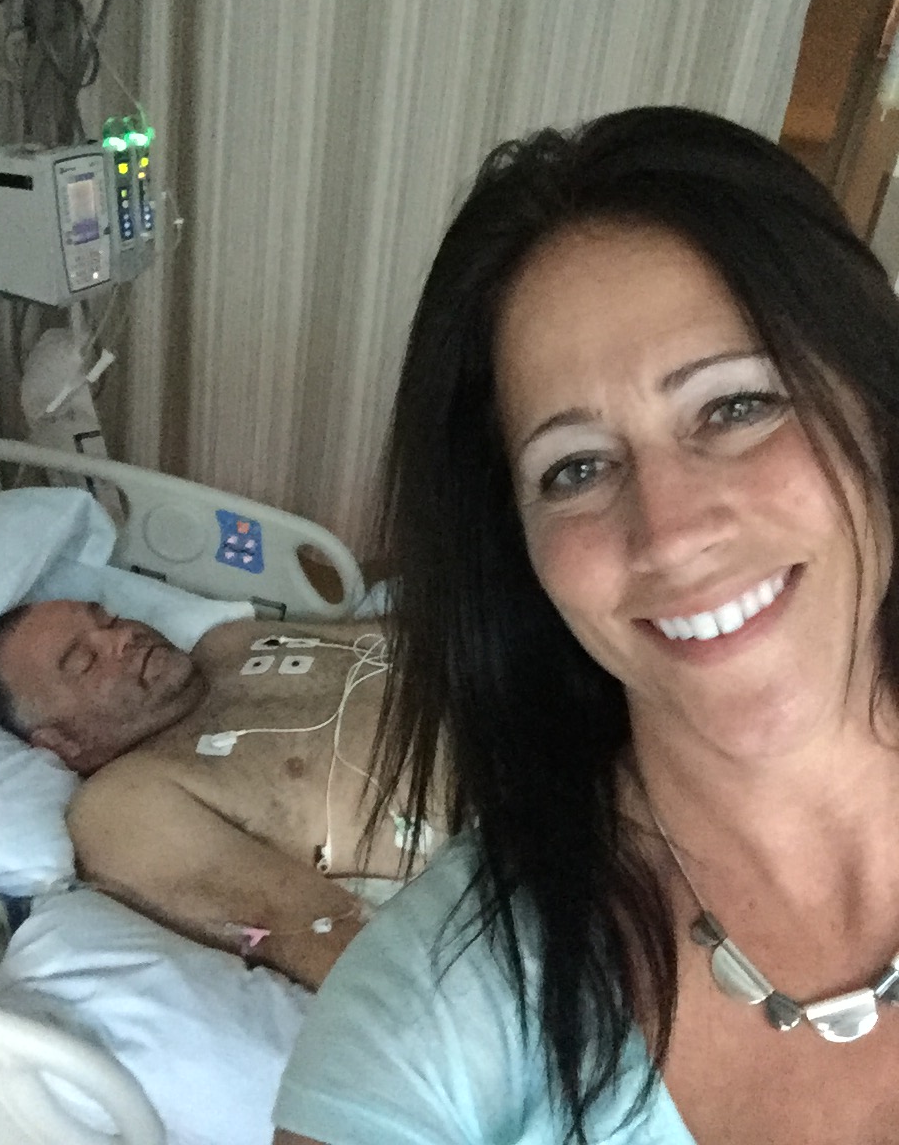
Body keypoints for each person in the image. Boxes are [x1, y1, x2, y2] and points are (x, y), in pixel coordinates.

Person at [271, 105, 899, 1145]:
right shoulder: (435, 1014)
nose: (671, 533)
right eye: (575, 469)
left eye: (735, 407)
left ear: (874, 407)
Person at [0, 600, 442, 989]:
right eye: (84, 661)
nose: (123, 636)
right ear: (62, 742)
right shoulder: (125, 804)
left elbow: (417, 634)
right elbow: (306, 932)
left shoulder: (232, 641)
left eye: (109, 620)